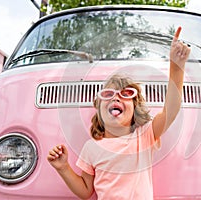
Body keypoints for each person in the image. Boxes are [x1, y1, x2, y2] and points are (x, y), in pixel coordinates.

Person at [47, 26, 191, 199]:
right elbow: (85, 191)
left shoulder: (144, 136)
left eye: (125, 94)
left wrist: (177, 67)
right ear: (99, 110)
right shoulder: (91, 147)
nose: (116, 98)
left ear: (135, 109)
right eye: (108, 94)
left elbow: (171, 110)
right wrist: (63, 168)